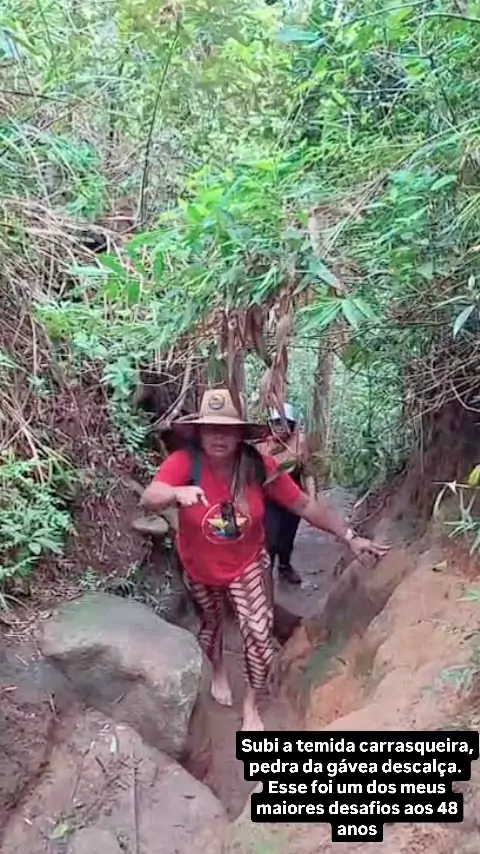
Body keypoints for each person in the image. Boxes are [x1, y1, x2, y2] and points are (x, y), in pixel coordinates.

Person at [140, 389, 389, 731]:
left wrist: (349, 536)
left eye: (227, 430)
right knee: (211, 627)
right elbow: (149, 498)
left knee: (258, 634)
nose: (219, 437)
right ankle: (219, 670)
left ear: (240, 434)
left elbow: (303, 505)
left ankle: (251, 705)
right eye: (211, 429)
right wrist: (175, 492)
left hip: (247, 565)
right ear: (199, 432)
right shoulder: (186, 462)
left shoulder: (259, 466)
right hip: (199, 566)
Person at [261, 403, 315, 584]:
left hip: (294, 498)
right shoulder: (263, 445)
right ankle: (266, 573)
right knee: (271, 538)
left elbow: (308, 472)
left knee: (288, 535)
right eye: (275, 422)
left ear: (291, 425)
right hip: (270, 499)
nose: (279, 427)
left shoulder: (299, 444)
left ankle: (284, 567)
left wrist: (312, 500)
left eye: (283, 423)